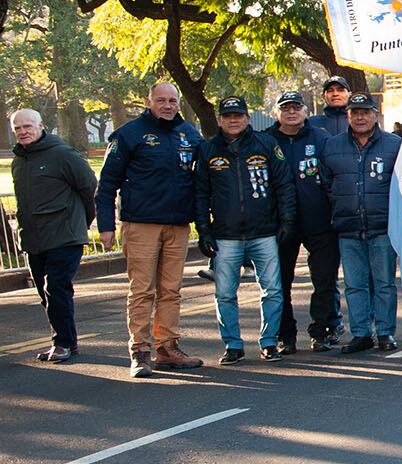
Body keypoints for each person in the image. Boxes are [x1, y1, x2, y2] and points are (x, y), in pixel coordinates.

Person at [97, 81, 205, 377]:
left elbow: (205, 174)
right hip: (141, 224)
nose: (167, 105)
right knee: (142, 290)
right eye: (161, 100)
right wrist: (105, 225)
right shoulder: (128, 135)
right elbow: (107, 184)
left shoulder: (189, 134)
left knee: (171, 291)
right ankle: (140, 352)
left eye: (172, 100)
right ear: (149, 102)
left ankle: (166, 348)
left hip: (178, 224)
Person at [195, 96, 295, 364]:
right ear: (219, 119)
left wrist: (287, 222)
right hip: (225, 235)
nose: (233, 120)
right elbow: (201, 193)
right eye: (227, 116)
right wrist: (203, 229)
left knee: (272, 290)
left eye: (238, 115)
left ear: (247, 118)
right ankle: (233, 345)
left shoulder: (266, 144)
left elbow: (284, 185)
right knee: (225, 293)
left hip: (263, 232)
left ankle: (270, 342)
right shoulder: (207, 150)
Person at [10, 109, 97, 364]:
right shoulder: (19, 160)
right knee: (44, 293)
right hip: (34, 238)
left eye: (28, 126)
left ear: (41, 126)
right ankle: (65, 340)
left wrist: (82, 222)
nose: (23, 132)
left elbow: (88, 187)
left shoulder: (62, 154)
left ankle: (63, 344)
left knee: (56, 288)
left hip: (64, 234)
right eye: (18, 128)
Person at [320, 92, 402, 354]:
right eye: (354, 112)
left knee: (384, 284)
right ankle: (360, 333)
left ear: (375, 114)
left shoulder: (394, 144)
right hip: (348, 227)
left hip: (383, 227)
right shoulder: (332, 145)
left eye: (365, 112)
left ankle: (386, 332)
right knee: (355, 285)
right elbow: (326, 183)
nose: (360, 117)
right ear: (348, 116)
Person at [264, 92, 343, 351]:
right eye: (285, 108)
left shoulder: (321, 138)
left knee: (324, 280)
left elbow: (333, 175)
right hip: (280, 223)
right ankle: (285, 334)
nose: (291, 112)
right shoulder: (265, 140)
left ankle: (321, 330)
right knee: (280, 282)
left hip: (319, 221)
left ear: (305, 111)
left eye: (296, 107)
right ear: (276, 113)